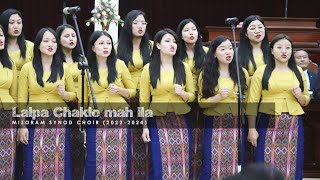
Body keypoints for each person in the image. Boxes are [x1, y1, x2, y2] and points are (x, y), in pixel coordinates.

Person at [246, 34, 310, 180]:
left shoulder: (298, 71)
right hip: (268, 119)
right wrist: (251, 129)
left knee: (292, 160)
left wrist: (300, 95)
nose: (284, 51)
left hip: (293, 122)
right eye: (279, 47)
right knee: (265, 160)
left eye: (288, 48)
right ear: (272, 50)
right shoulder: (262, 71)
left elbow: (305, 100)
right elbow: (252, 102)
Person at [17, 27, 76, 179]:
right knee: (32, 159)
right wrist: (22, 125)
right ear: (38, 45)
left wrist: (65, 94)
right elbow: (22, 100)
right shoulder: (27, 68)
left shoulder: (64, 67)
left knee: (60, 158)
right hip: (34, 118)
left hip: (59, 117)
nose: (51, 44)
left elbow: (74, 95)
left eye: (53, 41)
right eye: (46, 41)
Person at [79, 31, 136, 179]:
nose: (106, 47)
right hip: (95, 115)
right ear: (92, 47)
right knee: (93, 157)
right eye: (101, 43)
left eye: (109, 43)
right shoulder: (86, 68)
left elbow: (132, 92)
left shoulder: (119, 64)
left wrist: (119, 90)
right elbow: (82, 98)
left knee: (120, 155)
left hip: (119, 114)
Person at [140, 28, 195, 179]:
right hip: (158, 119)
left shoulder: (183, 67)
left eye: (175, 42)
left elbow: (192, 96)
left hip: (181, 118)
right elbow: (144, 100)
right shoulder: (149, 68)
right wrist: (144, 126)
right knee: (159, 160)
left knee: (183, 160)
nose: (172, 44)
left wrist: (182, 93)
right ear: (157, 45)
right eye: (167, 41)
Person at [198, 35, 249, 179]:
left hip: (236, 122)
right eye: (223, 49)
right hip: (214, 122)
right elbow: (201, 102)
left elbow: (247, 100)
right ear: (214, 53)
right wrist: (218, 97)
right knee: (212, 160)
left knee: (235, 161)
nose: (228, 52)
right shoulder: (206, 74)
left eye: (230, 49)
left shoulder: (241, 72)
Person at [116, 10, 152, 178]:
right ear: (128, 25)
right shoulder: (118, 47)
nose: (140, 27)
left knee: (148, 136)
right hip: (127, 97)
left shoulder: (152, 46)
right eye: (136, 23)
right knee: (129, 137)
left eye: (143, 23)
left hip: (148, 97)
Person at [176, 18, 208, 179]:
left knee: (202, 139)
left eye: (194, 30)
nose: (191, 33)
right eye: (187, 30)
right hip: (183, 99)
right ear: (180, 35)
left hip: (204, 99)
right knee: (186, 138)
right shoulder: (175, 53)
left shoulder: (207, 52)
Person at [56, 23, 83, 179]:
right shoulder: (55, 61)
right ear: (58, 40)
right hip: (64, 105)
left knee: (79, 148)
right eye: (66, 36)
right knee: (65, 147)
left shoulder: (82, 59)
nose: (71, 39)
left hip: (80, 105)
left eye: (73, 36)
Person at [0, 24, 18, 179]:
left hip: (7, 112)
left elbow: (15, 93)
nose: (0, 39)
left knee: (6, 157)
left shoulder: (9, 62)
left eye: (1, 35)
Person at [0, 8, 34, 74]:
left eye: (19, 22)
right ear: (4, 24)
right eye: (11, 23)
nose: (16, 26)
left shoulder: (31, 46)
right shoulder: (1, 47)